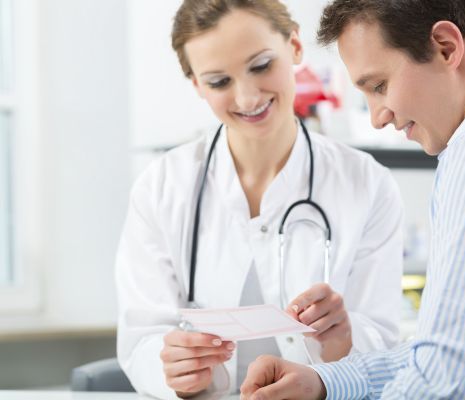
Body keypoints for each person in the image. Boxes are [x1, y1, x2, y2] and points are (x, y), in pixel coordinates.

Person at [240, 0, 465, 399]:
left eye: (379, 86)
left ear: (446, 47)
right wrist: (327, 381)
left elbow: (455, 379)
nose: (378, 116)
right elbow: (461, 352)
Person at [115, 0, 406, 399]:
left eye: (261, 65)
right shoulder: (161, 187)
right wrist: (171, 369)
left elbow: (386, 343)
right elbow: (142, 338)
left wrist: (343, 340)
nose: (248, 97)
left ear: (295, 48)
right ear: (197, 84)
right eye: (219, 82)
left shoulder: (367, 184)